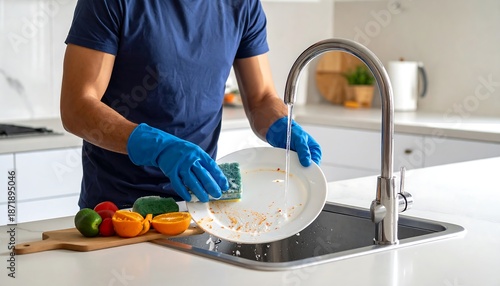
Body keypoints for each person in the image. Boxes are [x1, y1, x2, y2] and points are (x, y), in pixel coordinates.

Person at [60, 0, 322, 209]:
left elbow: (262, 97)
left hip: (199, 203)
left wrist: (281, 124)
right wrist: (156, 147)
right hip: (117, 209)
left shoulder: (243, 5)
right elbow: (77, 106)